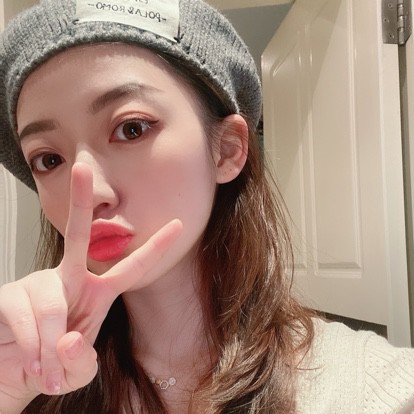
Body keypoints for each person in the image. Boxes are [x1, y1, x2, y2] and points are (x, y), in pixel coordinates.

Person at [0, 0, 413, 413]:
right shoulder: (34, 382)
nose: (89, 194)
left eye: (132, 128)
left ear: (227, 149)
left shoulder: (369, 383)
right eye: (48, 159)